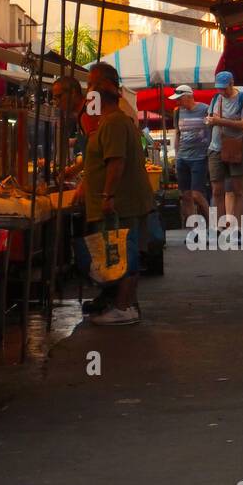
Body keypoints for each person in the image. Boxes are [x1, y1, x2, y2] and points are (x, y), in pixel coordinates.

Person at [76, 62, 154, 326]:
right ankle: (127, 304)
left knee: (126, 255)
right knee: (126, 254)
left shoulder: (114, 123)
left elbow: (116, 163)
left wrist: (107, 196)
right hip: (125, 202)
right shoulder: (111, 121)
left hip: (123, 203)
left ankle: (123, 307)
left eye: (90, 88)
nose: (87, 94)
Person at [206, 71, 243, 222]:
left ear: (232, 84)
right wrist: (208, 121)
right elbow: (209, 119)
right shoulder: (215, 98)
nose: (221, 92)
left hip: (236, 147)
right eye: (219, 88)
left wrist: (220, 121)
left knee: (238, 190)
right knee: (217, 191)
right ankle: (218, 226)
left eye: (224, 88)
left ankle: (237, 228)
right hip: (215, 148)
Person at [170, 83, 210, 225]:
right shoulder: (177, 112)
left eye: (179, 99)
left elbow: (212, 130)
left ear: (188, 97)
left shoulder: (205, 109)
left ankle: (211, 224)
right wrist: (176, 156)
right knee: (185, 195)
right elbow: (178, 134)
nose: (177, 102)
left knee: (197, 195)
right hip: (182, 158)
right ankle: (194, 228)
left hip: (199, 157)